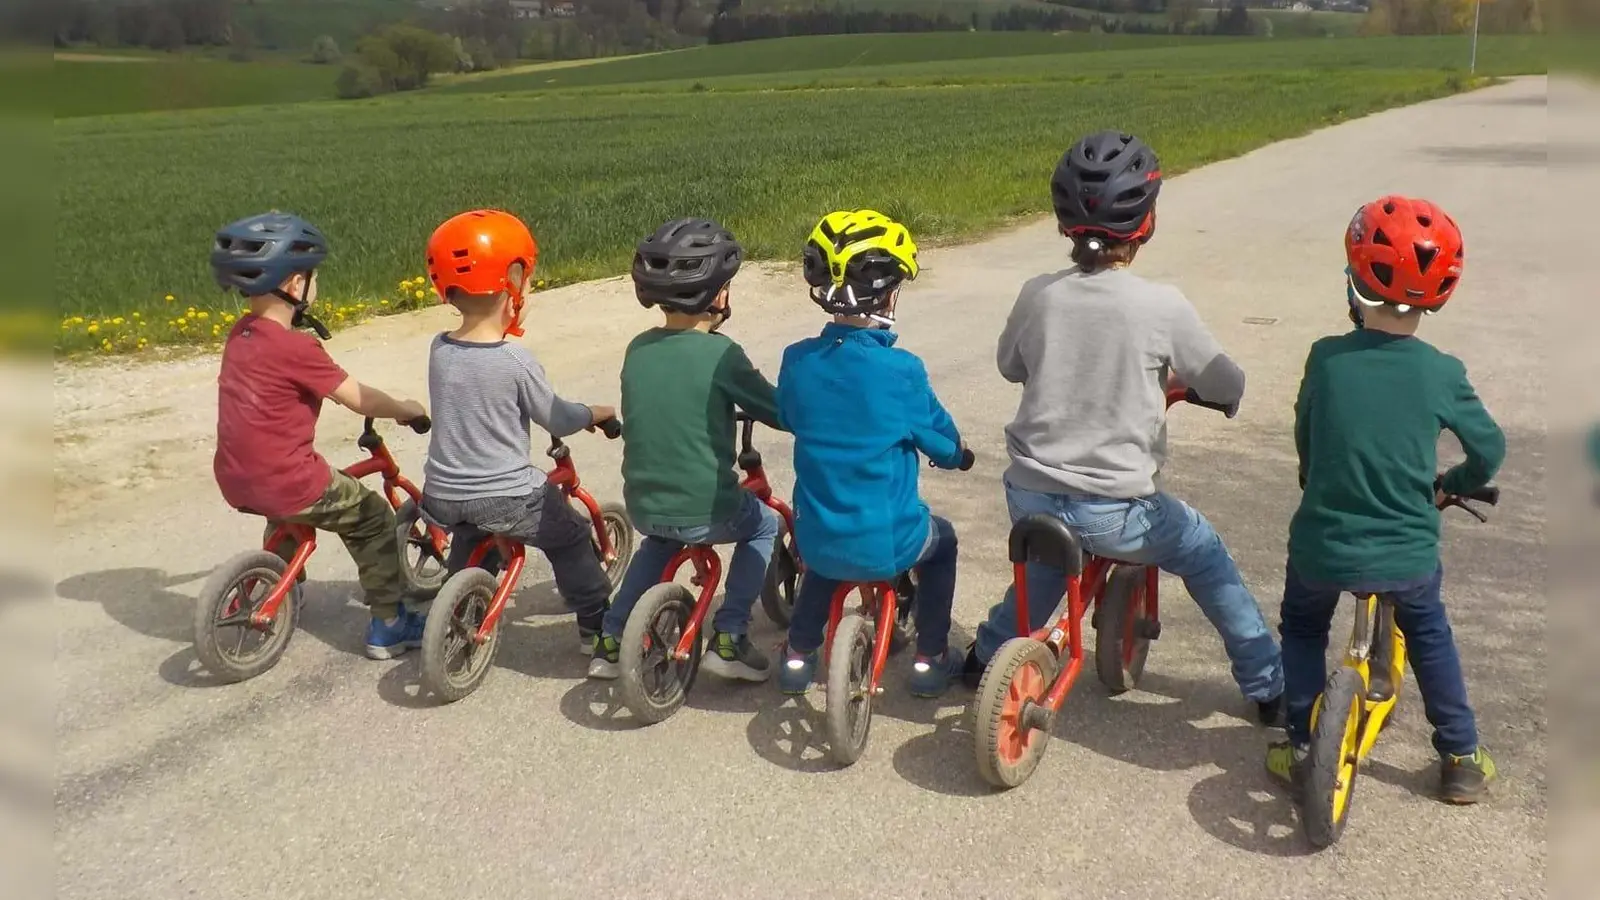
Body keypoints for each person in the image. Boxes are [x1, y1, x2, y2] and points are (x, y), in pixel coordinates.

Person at [963, 132, 1286, 723]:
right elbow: (1225, 383)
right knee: (1203, 551)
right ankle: (1268, 684)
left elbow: (1011, 365)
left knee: (1043, 570)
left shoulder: (1038, 295)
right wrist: (1201, 390)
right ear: (1146, 222)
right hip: (1114, 509)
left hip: (1030, 494)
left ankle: (983, 655)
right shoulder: (1160, 305)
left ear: (1064, 221)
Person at [1266, 195, 1504, 803]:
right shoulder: (1441, 371)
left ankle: (1298, 738)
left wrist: (1312, 475)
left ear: (1354, 281)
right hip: (1406, 553)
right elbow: (1489, 450)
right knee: (1429, 633)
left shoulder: (1325, 358)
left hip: (1323, 542)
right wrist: (1452, 484)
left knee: (1301, 622)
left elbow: (1307, 433)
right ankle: (1459, 754)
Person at [210, 212, 429, 660]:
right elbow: (359, 399)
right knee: (369, 516)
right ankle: (389, 623)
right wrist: (405, 408)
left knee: (286, 504)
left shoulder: (241, 334)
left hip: (236, 477)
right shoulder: (296, 347)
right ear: (294, 285)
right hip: (287, 480)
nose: (317, 284)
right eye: (313, 276)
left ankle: (283, 582)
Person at [774, 209, 971, 699]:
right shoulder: (901, 370)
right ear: (891, 293)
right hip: (890, 542)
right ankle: (931, 659)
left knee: (824, 562)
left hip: (816, 537)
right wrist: (958, 456)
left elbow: (791, 415)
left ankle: (797, 658)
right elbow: (942, 442)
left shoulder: (796, 361)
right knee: (941, 542)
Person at [587, 218, 783, 683]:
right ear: (716, 294)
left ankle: (610, 640)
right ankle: (731, 635)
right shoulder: (722, 354)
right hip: (706, 508)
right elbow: (778, 411)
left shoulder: (638, 348)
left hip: (645, 505)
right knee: (764, 525)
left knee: (660, 542)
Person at [417, 209, 618, 655]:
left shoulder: (440, 350)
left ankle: (459, 608)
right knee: (570, 535)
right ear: (511, 283)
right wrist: (596, 412)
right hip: (505, 494)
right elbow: (559, 419)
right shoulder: (514, 359)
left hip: (442, 492)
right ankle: (597, 628)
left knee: (472, 527)